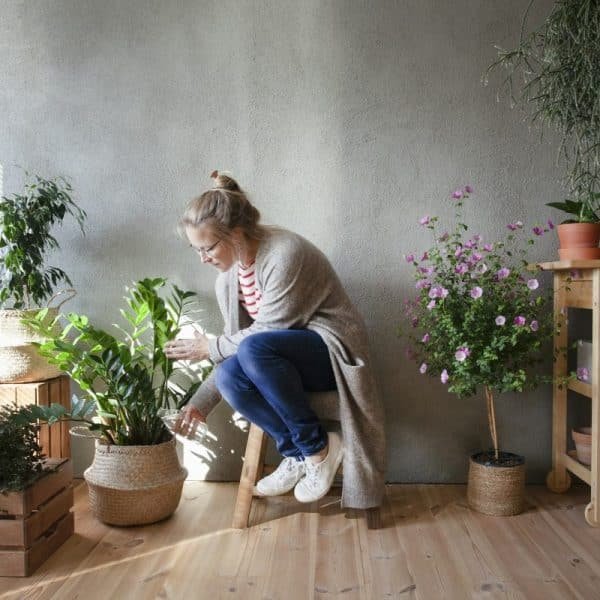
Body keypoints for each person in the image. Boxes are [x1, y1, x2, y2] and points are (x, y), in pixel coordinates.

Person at [164, 171, 385, 508]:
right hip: (278, 359)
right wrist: (200, 403)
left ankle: (316, 450)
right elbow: (233, 348)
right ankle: (299, 452)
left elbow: (262, 335)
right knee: (228, 375)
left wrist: (208, 346)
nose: (202, 258)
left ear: (236, 233)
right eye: (196, 249)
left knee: (255, 347)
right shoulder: (229, 279)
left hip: (331, 354)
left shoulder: (285, 255)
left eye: (207, 248)